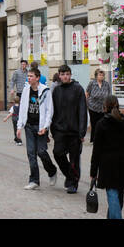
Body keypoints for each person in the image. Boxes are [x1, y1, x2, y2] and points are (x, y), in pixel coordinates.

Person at [87, 95, 124, 218]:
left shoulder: (101, 124)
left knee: (113, 196)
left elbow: (96, 151)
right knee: (119, 197)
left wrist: (93, 172)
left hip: (108, 166)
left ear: (104, 108)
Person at [17, 66, 58, 189]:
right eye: (28, 76)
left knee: (41, 152)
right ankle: (34, 180)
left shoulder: (45, 91)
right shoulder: (26, 90)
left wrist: (45, 127)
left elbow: (49, 110)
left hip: (41, 127)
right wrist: (19, 126)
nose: (28, 78)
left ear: (37, 78)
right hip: (29, 126)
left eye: (31, 76)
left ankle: (52, 171)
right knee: (31, 153)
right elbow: (22, 109)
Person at [50, 64, 88, 194]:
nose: (65, 76)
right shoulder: (56, 90)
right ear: (59, 76)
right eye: (63, 74)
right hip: (59, 130)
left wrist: (82, 131)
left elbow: (82, 111)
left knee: (74, 159)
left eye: (67, 74)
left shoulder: (78, 89)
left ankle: (73, 183)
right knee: (57, 153)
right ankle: (70, 176)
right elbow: (52, 111)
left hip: (74, 131)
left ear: (70, 75)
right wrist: (52, 129)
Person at [86, 68, 111, 142]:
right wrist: (85, 104)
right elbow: (87, 94)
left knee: (103, 124)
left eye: (103, 75)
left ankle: (102, 139)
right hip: (92, 107)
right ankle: (94, 140)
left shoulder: (106, 84)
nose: (101, 76)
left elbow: (109, 94)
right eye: (100, 75)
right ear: (96, 76)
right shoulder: (92, 83)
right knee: (94, 124)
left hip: (103, 108)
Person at [9, 59, 29, 144]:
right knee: (17, 113)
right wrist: (12, 89)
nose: (23, 65)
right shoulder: (17, 72)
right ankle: (17, 137)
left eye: (24, 64)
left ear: (27, 65)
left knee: (25, 113)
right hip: (19, 94)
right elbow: (12, 81)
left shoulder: (29, 73)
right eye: (22, 64)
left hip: (27, 93)